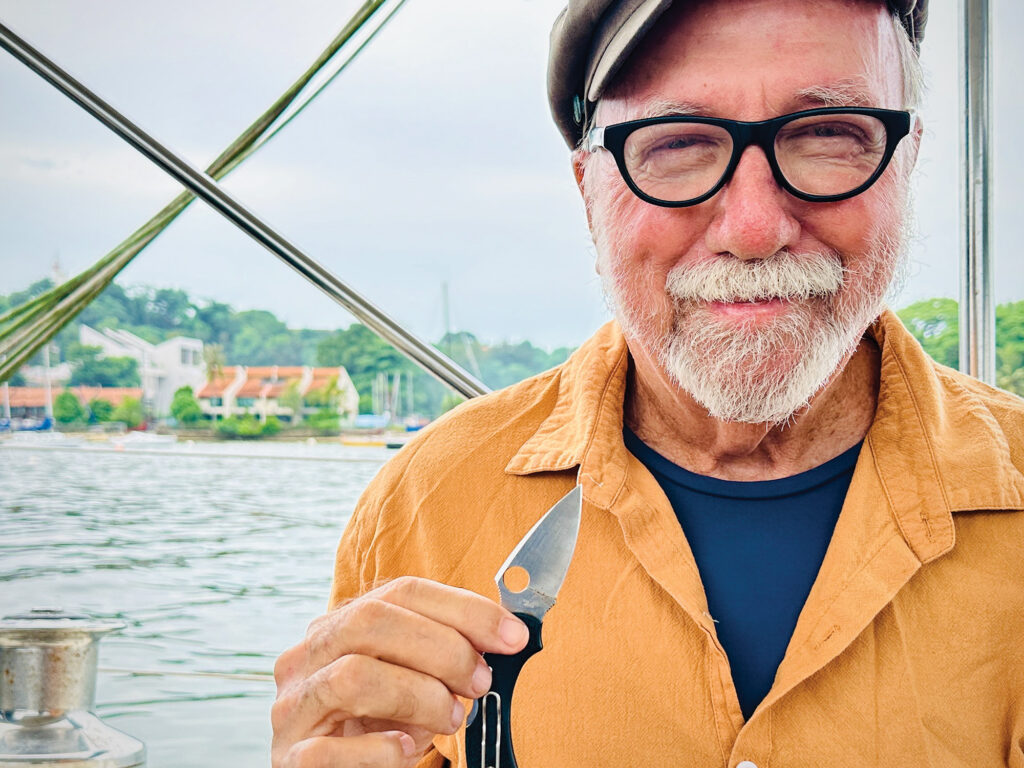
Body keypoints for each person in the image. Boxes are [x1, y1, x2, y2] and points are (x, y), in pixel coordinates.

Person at [272, 0, 1024, 766]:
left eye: (830, 136)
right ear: (587, 193)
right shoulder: (426, 501)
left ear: (907, 162)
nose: (754, 229)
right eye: (676, 145)